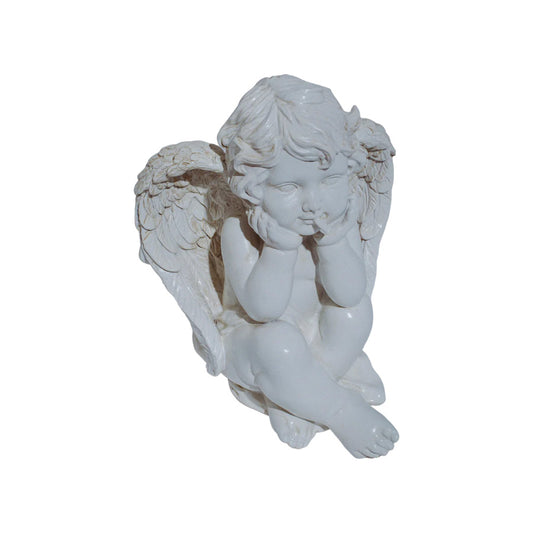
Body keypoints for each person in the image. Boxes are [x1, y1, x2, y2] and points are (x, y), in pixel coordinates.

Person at [216, 75, 399, 458]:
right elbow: (263, 310)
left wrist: (333, 242)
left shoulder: (337, 223)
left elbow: (349, 291)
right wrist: (279, 249)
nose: (314, 202)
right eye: (289, 187)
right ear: (253, 186)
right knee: (278, 345)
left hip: (319, 344)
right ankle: (339, 409)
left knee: (355, 312)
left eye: (329, 180)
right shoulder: (241, 230)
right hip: (255, 342)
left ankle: (297, 397)